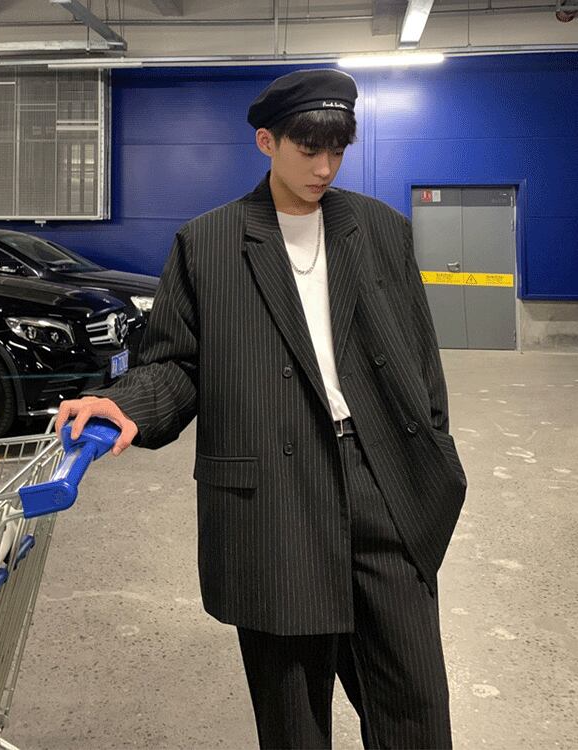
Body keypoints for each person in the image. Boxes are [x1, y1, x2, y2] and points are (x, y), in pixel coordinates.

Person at [56, 68, 467, 749]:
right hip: (273, 497)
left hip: (384, 481)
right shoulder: (208, 243)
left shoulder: (381, 230)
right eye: (309, 149)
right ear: (266, 142)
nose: (325, 167)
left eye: (337, 150)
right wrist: (125, 402)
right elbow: (176, 363)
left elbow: (423, 362)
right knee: (292, 718)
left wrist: (433, 456)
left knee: (415, 706)